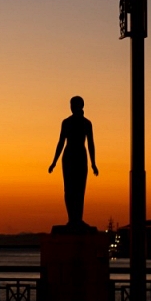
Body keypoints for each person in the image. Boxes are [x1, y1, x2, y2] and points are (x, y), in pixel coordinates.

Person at [48, 96, 97, 226]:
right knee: (69, 189)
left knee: (80, 189)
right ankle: (71, 219)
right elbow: (61, 142)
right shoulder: (66, 122)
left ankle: (78, 219)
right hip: (69, 156)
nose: (72, 107)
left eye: (74, 104)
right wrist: (54, 162)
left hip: (81, 156)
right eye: (71, 104)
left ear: (80, 106)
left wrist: (93, 163)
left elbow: (91, 143)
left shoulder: (87, 123)